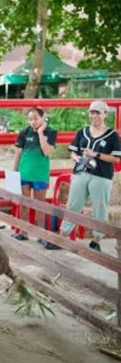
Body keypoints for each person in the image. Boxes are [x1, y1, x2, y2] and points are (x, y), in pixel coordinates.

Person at [59, 100, 121, 252]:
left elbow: (116, 158)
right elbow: (73, 152)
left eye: (97, 113)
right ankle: (62, 236)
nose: (94, 116)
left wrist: (96, 155)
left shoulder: (112, 136)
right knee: (73, 204)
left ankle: (96, 240)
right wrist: (77, 158)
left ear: (105, 114)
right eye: (92, 112)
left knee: (100, 207)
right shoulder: (82, 132)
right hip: (81, 172)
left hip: (101, 176)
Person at [12, 107, 59, 249]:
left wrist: (40, 133)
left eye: (36, 119)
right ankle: (23, 232)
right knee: (24, 203)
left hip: (40, 174)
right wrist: (15, 171)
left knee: (40, 204)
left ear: (42, 118)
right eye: (30, 119)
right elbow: (18, 153)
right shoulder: (23, 132)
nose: (33, 122)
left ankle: (41, 234)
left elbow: (47, 151)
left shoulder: (51, 132)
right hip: (24, 172)